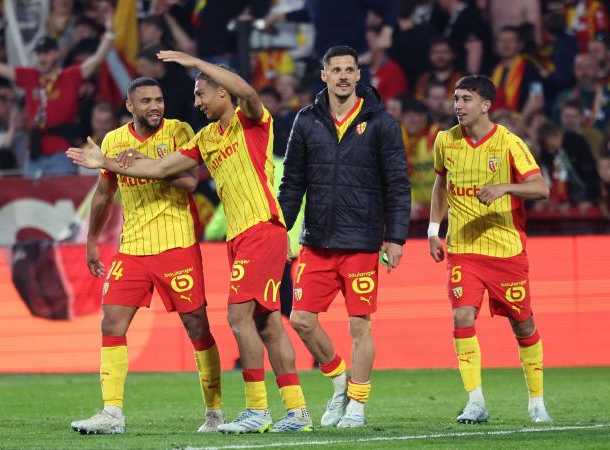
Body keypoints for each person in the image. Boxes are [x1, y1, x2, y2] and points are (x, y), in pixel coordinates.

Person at [67, 51, 313, 434]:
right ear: (129, 105)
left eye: (202, 94)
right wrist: (106, 161)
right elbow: (160, 168)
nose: (196, 102)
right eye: (194, 95)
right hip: (234, 236)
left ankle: (256, 410)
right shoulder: (205, 138)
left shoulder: (251, 121)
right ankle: (296, 411)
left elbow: (245, 91)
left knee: (235, 318)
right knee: (267, 325)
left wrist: (191, 60)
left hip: (260, 228)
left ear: (222, 92)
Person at [69, 77, 224, 435]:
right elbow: (104, 195)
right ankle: (112, 413)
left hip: (177, 244)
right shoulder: (113, 140)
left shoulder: (179, 131)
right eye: (146, 101)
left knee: (197, 326)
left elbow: (189, 182)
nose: (155, 106)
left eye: (159, 99)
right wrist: (92, 240)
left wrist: (147, 163)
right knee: (111, 324)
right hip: (132, 249)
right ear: (130, 107)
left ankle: (215, 412)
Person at [278, 45, 411, 429]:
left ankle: (357, 405)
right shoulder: (306, 120)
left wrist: (396, 238)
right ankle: (340, 381)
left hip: (361, 242)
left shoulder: (382, 123)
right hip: (316, 241)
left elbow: (398, 186)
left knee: (360, 325)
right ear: (323, 75)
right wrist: (278, 232)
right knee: (301, 319)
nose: (343, 76)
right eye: (335, 69)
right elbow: (292, 184)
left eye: (349, 69)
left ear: (357, 75)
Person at [428, 74, 553, 424]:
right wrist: (433, 229)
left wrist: (505, 188)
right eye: (456, 98)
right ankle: (476, 402)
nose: (458, 106)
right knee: (462, 315)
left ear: (485, 105)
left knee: (523, 324)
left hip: (505, 250)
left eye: (466, 99)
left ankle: (537, 401)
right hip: (463, 249)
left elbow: (541, 188)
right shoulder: (445, 141)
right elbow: (441, 182)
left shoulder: (509, 143)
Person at [0, 12, 115, 175]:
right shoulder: (30, 76)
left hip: (62, 153)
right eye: (38, 53)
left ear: (57, 53)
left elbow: (95, 60)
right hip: (34, 153)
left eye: (46, 52)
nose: (41, 57)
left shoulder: (69, 76)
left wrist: (109, 35)